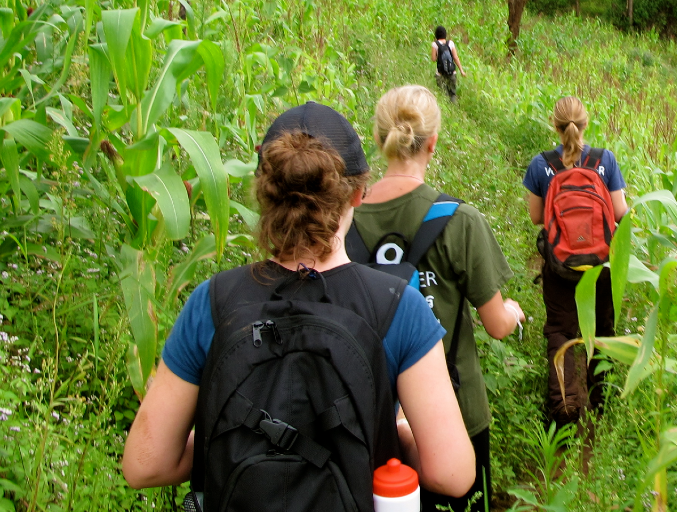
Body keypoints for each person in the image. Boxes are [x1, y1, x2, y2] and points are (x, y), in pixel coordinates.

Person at [121, 102, 475, 507]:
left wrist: (230, 436)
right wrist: (398, 435)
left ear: (263, 191)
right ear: (359, 193)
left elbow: (144, 465)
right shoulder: (399, 308)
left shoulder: (213, 302)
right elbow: (452, 474)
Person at [350, 85, 524, 512]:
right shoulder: (458, 220)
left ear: (378, 139)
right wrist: (515, 313)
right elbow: (497, 325)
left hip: (366, 415)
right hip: (454, 416)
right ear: (433, 143)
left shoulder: (344, 220)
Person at [523, 96, 628, 427]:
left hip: (560, 266)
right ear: (586, 124)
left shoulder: (540, 165)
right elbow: (622, 213)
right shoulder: (604, 160)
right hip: (601, 265)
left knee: (561, 331)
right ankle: (602, 406)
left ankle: (565, 410)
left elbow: (537, 217)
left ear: (554, 125)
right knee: (603, 332)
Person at [430, 25, 466, 101]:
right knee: (453, 94)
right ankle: (454, 109)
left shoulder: (435, 44)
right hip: (452, 72)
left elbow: (433, 59)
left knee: (443, 94)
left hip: (440, 73)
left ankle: (446, 110)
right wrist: (461, 70)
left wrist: (438, 56)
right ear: (445, 34)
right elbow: (455, 58)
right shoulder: (450, 43)